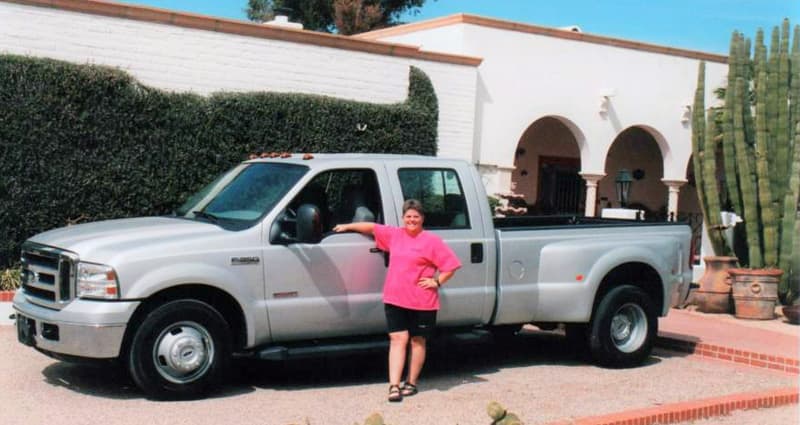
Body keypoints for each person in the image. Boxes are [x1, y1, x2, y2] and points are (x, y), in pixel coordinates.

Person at [333, 199, 461, 402]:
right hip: (395, 297)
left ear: (422, 218)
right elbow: (371, 227)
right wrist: (347, 226)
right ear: (403, 218)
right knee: (397, 340)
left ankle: (411, 382)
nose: (412, 220)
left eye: (416, 217)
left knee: (418, 341)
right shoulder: (394, 235)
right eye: (408, 216)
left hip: (422, 300)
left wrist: (437, 281)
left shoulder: (432, 241)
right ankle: (394, 385)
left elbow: (451, 266)